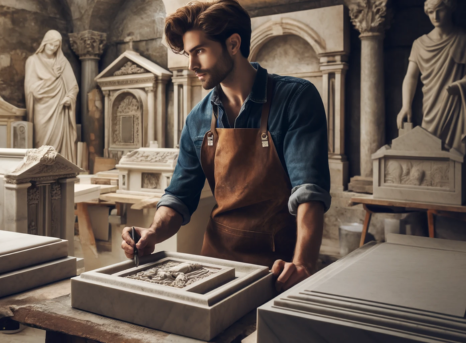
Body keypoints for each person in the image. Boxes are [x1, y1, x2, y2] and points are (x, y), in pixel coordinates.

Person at [121, 0, 330, 292]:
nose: (192, 65)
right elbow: (179, 197)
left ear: (233, 44)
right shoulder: (197, 118)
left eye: (200, 51)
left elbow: (308, 191)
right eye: (187, 54)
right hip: (214, 264)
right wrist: (153, 232)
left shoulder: (295, 98)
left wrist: (303, 262)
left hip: (280, 266)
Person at [396, 0, 466, 155]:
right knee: (430, 150)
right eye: (430, 11)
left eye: (439, 10)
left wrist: (461, 85)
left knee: (456, 156)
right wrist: (405, 105)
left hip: (457, 106)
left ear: (450, 9)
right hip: (431, 107)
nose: (435, 16)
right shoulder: (420, 44)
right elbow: (411, 77)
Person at [25, 30, 79, 163]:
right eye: (51, 45)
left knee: (57, 142)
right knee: (41, 140)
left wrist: (69, 97)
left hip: (59, 108)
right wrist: (53, 78)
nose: (53, 48)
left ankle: (60, 167)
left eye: (56, 46)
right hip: (41, 108)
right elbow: (31, 88)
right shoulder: (32, 61)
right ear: (44, 43)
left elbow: (73, 86)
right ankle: (41, 167)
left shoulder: (62, 62)